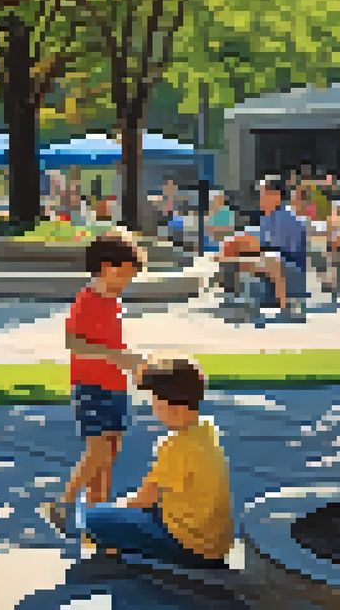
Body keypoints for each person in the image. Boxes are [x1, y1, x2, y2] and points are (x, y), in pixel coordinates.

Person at [40, 234, 149, 548]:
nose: (128, 281)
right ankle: (63, 502)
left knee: (108, 457)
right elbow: (72, 342)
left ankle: (96, 525)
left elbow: (114, 345)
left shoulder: (114, 303)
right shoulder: (86, 301)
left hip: (116, 385)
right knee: (98, 449)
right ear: (107, 268)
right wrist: (115, 356)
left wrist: (132, 363)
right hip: (90, 385)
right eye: (126, 273)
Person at [74, 358, 233, 569]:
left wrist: (108, 509)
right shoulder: (206, 431)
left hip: (191, 548)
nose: (152, 406)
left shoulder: (176, 446)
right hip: (214, 544)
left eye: (154, 400)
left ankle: (88, 525)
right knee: (132, 514)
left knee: (93, 519)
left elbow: (143, 500)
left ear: (170, 404)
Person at [219, 178, 309, 317]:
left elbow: (275, 249)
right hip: (275, 263)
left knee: (269, 259)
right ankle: (233, 298)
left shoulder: (287, 216)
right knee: (234, 252)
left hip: (292, 270)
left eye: (263, 193)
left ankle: (284, 306)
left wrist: (249, 246)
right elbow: (262, 246)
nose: (260, 197)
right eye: (260, 193)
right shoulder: (266, 217)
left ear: (277, 196)